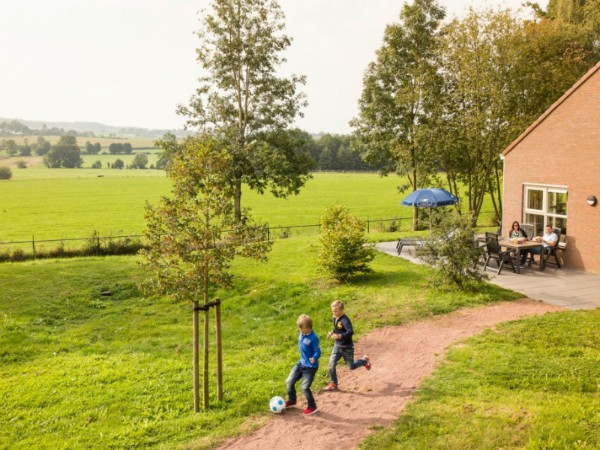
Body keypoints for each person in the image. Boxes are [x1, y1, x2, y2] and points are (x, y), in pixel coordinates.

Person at [322, 300, 371, 392]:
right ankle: (334, 384)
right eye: (333, 311)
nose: (334, 313)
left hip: (347, 348)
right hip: (337, 346)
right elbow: (337, 327)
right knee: (331, 365)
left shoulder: (345, 320)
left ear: (342, 310)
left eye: (336, 311)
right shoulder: (335, 318)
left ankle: (365, 361)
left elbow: (350, 331)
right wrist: (332, 332)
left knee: (351, 366)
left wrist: (339, 336)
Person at [285, 314, 321, 415]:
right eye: (300, 328)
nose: (301, 330)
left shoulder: (313, 338)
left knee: (304, 387)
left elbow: (318, 351)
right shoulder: (302, 333)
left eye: (303, 329)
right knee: (289, 381)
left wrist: (314, 358)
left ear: (309, 327)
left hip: (310, 367)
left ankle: (312, 406)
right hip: (301, 363)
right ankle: (292, 400)